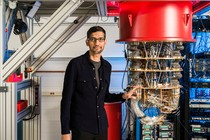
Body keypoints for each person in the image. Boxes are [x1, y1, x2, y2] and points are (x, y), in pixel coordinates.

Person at [60, 26, 138, 140]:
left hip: (101, 127)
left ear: (105, 42)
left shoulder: (107, 66)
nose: (97, 43)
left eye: (100, 39)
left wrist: (123, 96)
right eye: (93, 39)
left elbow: (105, 96)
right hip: (81, 127)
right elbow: (66, 100)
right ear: (87, 42)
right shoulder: (75, 64)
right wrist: (65, 131)